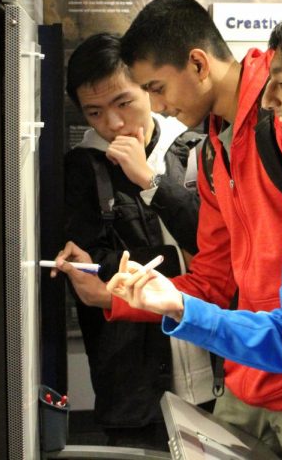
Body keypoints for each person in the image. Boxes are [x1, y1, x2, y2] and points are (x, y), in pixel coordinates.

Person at [106, 1, 282, 459]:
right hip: (262, 369)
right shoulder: (225, 153)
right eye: (273, 84)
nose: (274, 100)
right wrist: (171, 303)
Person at [57, 0, 282, 460]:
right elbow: (215, 282)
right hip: (249, 375)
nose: (158, 104)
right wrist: (130, 294)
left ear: (198, 64)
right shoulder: (212, 151)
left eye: (155, 88)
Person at [60, 33, 214, 449]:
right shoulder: (83, 168)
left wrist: (148, 179)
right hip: (133, 385)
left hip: (217, 374)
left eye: (122, 103)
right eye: (94, 112)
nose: (111, 124)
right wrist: (180, 260)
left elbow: (220, 251)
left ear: (148, 89)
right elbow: (95, 270)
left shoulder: (196, 149)